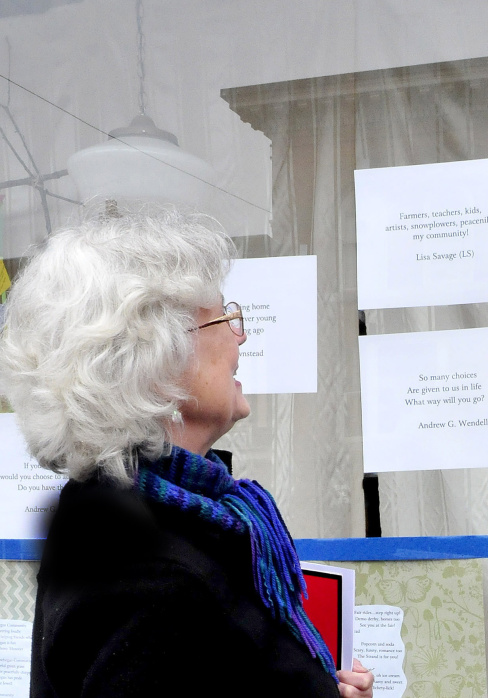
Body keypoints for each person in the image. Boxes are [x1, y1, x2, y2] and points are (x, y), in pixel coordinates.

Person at [0, 205, 374, 698]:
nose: (241, 335)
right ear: (156, 356)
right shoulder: (148, 579)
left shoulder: (141, 525)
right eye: (225, 316)